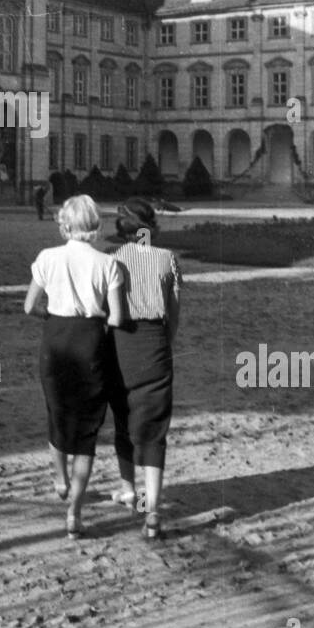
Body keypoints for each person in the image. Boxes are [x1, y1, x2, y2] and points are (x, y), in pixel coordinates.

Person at [24, 195, 124, 539]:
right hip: (91, 341)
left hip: (55, 339)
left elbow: (28, 306)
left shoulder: (48, 258)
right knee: (86, 433)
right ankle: (75, 512)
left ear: (65, 223)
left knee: (57, 412)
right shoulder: (107, 263)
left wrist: (52, 315)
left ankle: (60, 478)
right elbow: (117, 317)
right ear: (95, 224)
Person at [107, 208, 183, 541]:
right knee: (154, 429)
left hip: (120, 343)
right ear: (150, 225)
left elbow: (103, 309)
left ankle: (128, 489)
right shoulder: (168, 259)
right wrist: (162, 345)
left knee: (123, 418)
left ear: (122, 227)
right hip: (154, 343)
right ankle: (151, 512)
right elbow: (175, 314)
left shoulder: (111, 259)